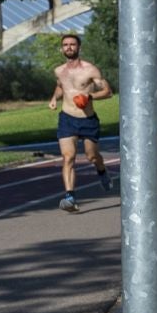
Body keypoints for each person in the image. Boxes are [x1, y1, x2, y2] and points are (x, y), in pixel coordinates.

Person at [48, 32, 113, 212]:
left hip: (88, 120)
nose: (69, 47)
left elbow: (108, 91)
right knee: (68, 157)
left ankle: (101, 171)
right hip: (67, 118)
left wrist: (89, 96)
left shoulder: (90, 70)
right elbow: (61, 86)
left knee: (92, 156)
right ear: (62, 49)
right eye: (66, 45)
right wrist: (54, 98)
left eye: (72, 44)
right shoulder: (59, 71)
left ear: (79, 47)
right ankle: (70, 197)